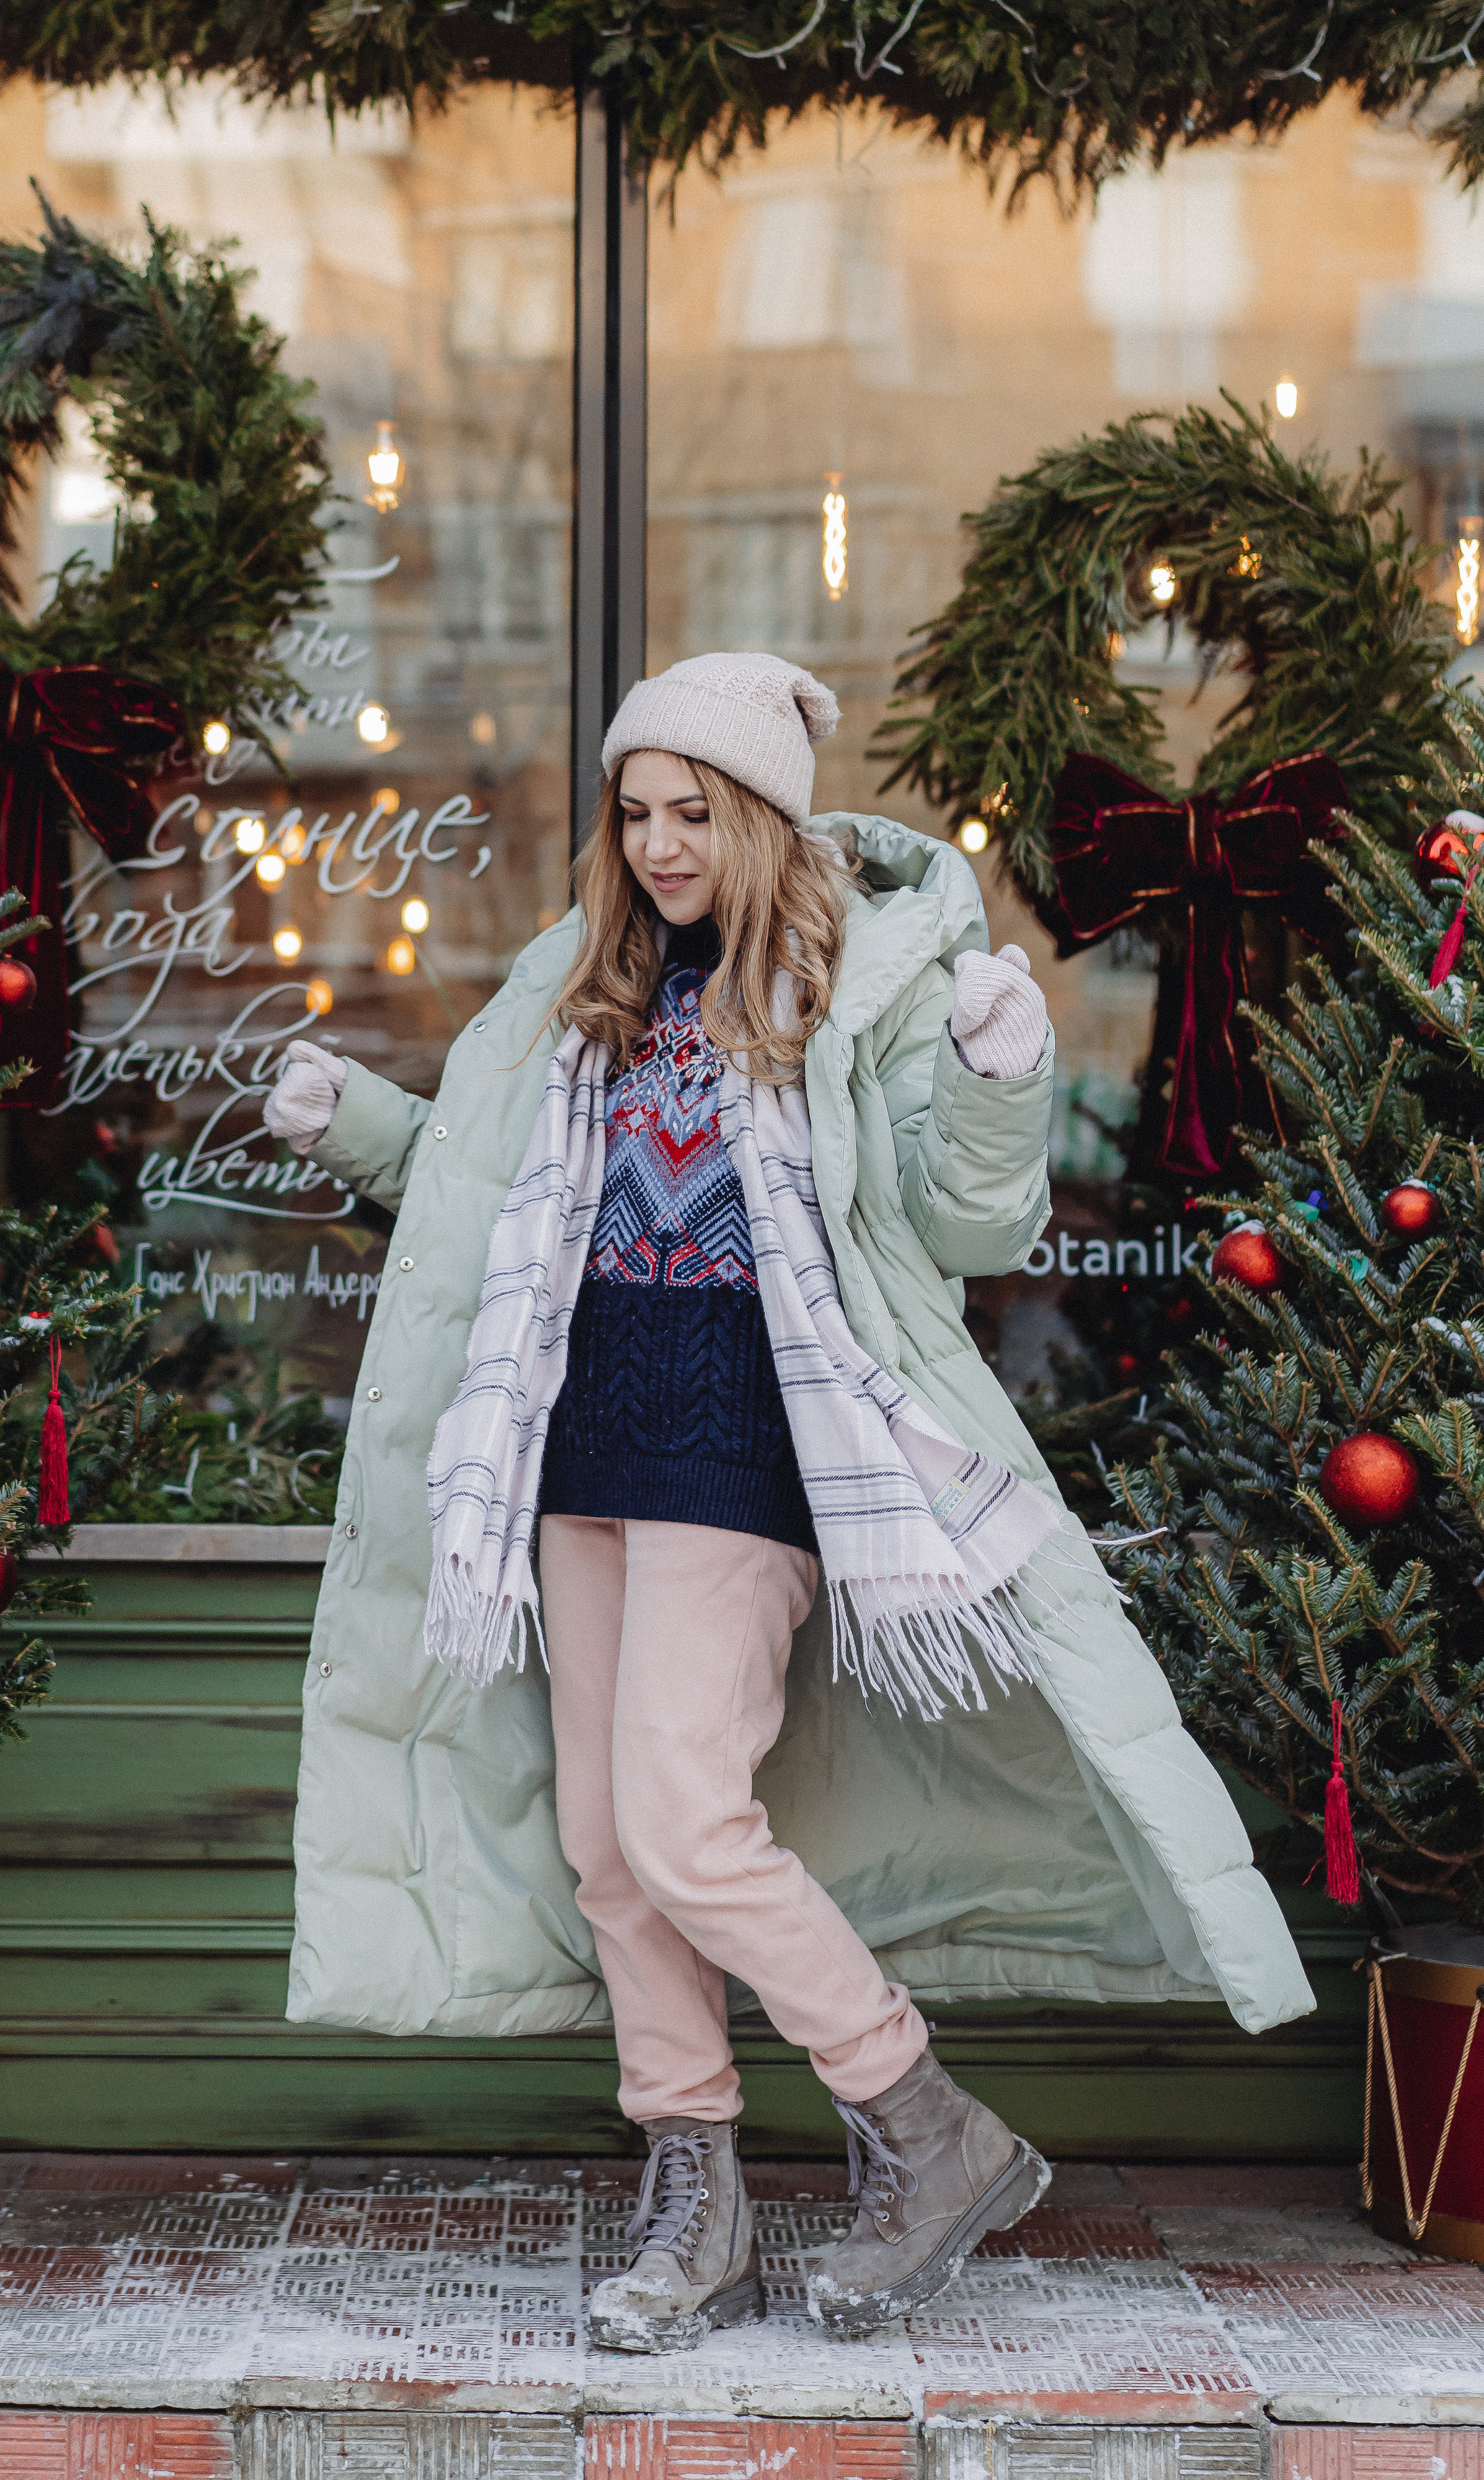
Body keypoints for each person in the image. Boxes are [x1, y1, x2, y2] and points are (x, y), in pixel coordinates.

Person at [266, 652, 1312, 2354]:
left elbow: (963, 1223)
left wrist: (991, 1081)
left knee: (683, 1816)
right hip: (572, 1441)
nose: (661, 843)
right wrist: (364, 1129)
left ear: (757, 815)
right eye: (636, 810)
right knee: (609, 1847)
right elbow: (491, 1192)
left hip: (748, 1445)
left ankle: (923, 2121)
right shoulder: (582, 978)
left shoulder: (856, 976)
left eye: (694, 811)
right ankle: (699, 2198)